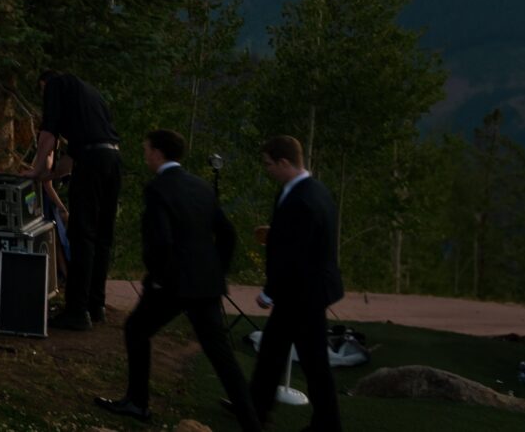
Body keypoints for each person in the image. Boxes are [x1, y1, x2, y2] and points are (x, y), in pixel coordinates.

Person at [94, 129, 261, 431]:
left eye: (146, 149)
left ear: (157, 152)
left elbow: (160, 240)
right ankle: (252, 423)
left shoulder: (158, 189)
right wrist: (216, 270)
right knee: (220, 353)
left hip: (173, 282)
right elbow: (227, 233)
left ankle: (137, 402)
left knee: (136, 329)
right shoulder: (201, 186)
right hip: (205, 284)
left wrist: (159, 277)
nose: (145, 155)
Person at [249, 135, 345, 432]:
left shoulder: (301, 200)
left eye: (269, 164)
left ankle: (326, 423)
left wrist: (269, 292)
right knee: (274, 353)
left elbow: (295, 256)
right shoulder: (310, 191)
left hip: (303, 292)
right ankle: (256, 408)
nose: (267, 170)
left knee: (311, 360)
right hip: (305, 290)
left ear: (285, 162)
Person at [33, 69, 123, 331]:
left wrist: (36, 171)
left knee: (81, 234)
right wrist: (50, 174)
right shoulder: (89, 96)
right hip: (112, 160)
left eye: (41, 92)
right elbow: (70, 160)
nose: (44, 97)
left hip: (91, 163)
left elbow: (48, 135)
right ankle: (96, 305)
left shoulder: (55, 86)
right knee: (102, 236)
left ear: (44, 84)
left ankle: (76, 311)